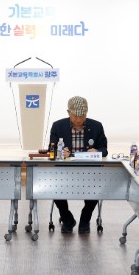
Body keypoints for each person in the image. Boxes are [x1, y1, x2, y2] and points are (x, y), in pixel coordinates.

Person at [49, 96, 108, 233]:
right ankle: (67, 218)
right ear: (68, 112)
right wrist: (60, 152)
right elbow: (51, 148)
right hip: (65, 171)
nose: (79, 119)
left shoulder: (96, 126)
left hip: (90, 170)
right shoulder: (58, 126)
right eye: (75, 116)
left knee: (94, 190)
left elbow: (104, 150)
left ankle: (85, 218)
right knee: (54, 188)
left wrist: (97, 151)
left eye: (82, 116)